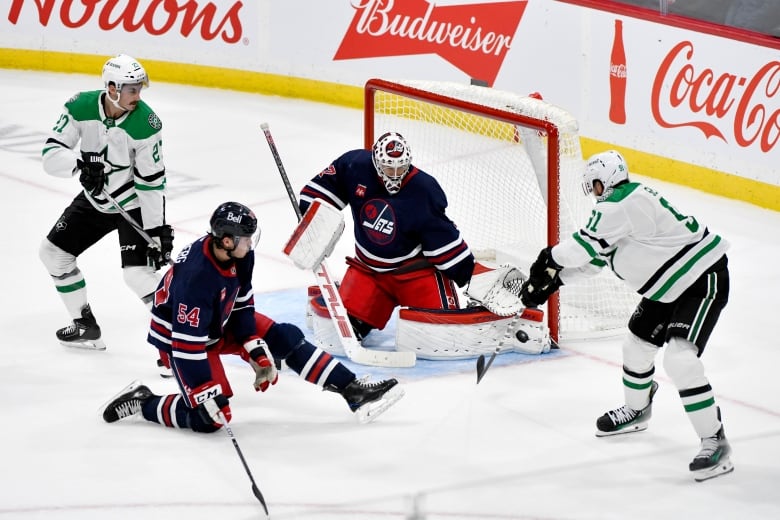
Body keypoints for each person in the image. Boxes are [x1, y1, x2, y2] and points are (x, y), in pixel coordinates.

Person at [520, 150, 733, 482]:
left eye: (594, 185)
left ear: (604, 179)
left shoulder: (623, 202)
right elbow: (592, 262)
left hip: (700, 279)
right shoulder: (617, 212)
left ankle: (714, 440)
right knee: (635, 347)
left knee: (680, 359)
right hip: (667, 287)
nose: (593, 193)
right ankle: (637, 410)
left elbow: (578, 249)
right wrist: (555, 282)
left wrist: (548, 258)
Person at [101, 202, 404, 431]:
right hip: (178, 342)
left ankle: (352, 390)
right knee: (210, 417)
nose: (251, 243)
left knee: (285, 337)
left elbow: (242, 303)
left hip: (218, 321)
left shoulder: (241, 255)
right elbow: (186, 347)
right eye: (245, 238)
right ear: (227, 241)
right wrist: (204, 390)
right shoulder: (195, 279)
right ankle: (144, 403)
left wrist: (254, 347)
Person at [297, 132, 552, 360]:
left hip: (415, 273)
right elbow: (316, 193)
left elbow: (442, 242)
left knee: (440, 333)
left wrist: (470, 275)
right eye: (388, 168)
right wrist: (312, 221)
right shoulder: (353, 166)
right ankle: (355, 301)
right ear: (376, 162)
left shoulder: (424, 190)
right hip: (369, 271)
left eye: (400, 168)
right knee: (336, 335)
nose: (394, 176)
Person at [39, 54, 173, 351]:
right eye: (132, 89)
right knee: (53, 254)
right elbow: (50, 155)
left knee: (138, 275)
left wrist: (155, 230)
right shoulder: (80, 106)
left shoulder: (147, 123)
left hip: (132, 203)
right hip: (96, 199)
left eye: (139, 89)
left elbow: (151, 183)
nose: (138, 96)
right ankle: (85, 325)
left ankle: (177, 341)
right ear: (112, 88)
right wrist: (79, 164)